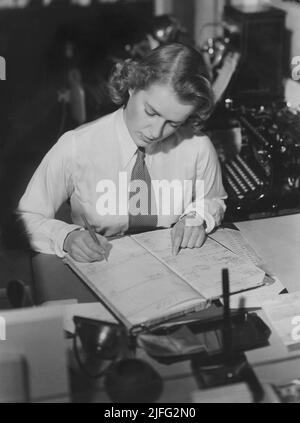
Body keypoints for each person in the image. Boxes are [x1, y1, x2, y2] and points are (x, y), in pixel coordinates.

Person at [18, 43, 227, 263]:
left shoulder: (198, 147)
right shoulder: (76, 145)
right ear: (132, 86)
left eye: (173, 123)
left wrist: (198, 217)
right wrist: (66, 237)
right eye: (151, 112)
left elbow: (213, 199)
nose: (156, 132)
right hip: (99, 265)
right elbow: (25, 218)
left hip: (174, 264)